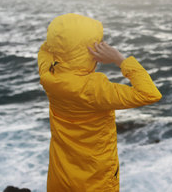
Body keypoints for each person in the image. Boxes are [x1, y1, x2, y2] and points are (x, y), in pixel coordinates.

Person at [37, 13, 162, 191]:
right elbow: (150, 94)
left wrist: (63, 37)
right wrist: (120, 59)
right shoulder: (94, 89)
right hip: (95, 179)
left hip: (61, 174)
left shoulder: (48, 74)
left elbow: (46, 48)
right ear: (88, 50)